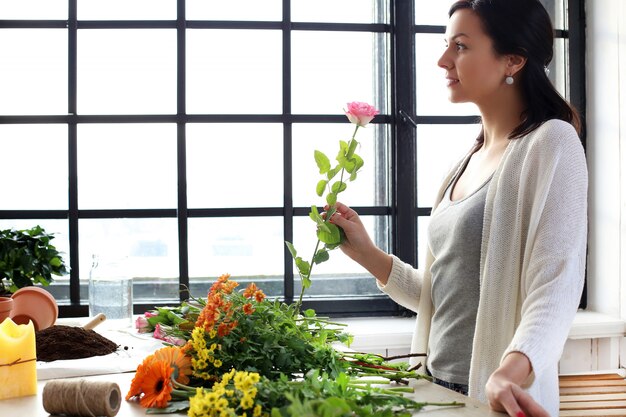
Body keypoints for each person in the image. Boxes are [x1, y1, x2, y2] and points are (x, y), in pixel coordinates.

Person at [329, 1, 588, 416]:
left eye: (461, 47)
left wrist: (510, 371)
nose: (442, 60)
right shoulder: (463, 162)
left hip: (494, 398)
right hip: (433, 389)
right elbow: (444, 297)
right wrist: (368, 255)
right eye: (447, 44)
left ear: (513, 60)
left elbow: (556, 284)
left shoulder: (551, 143)